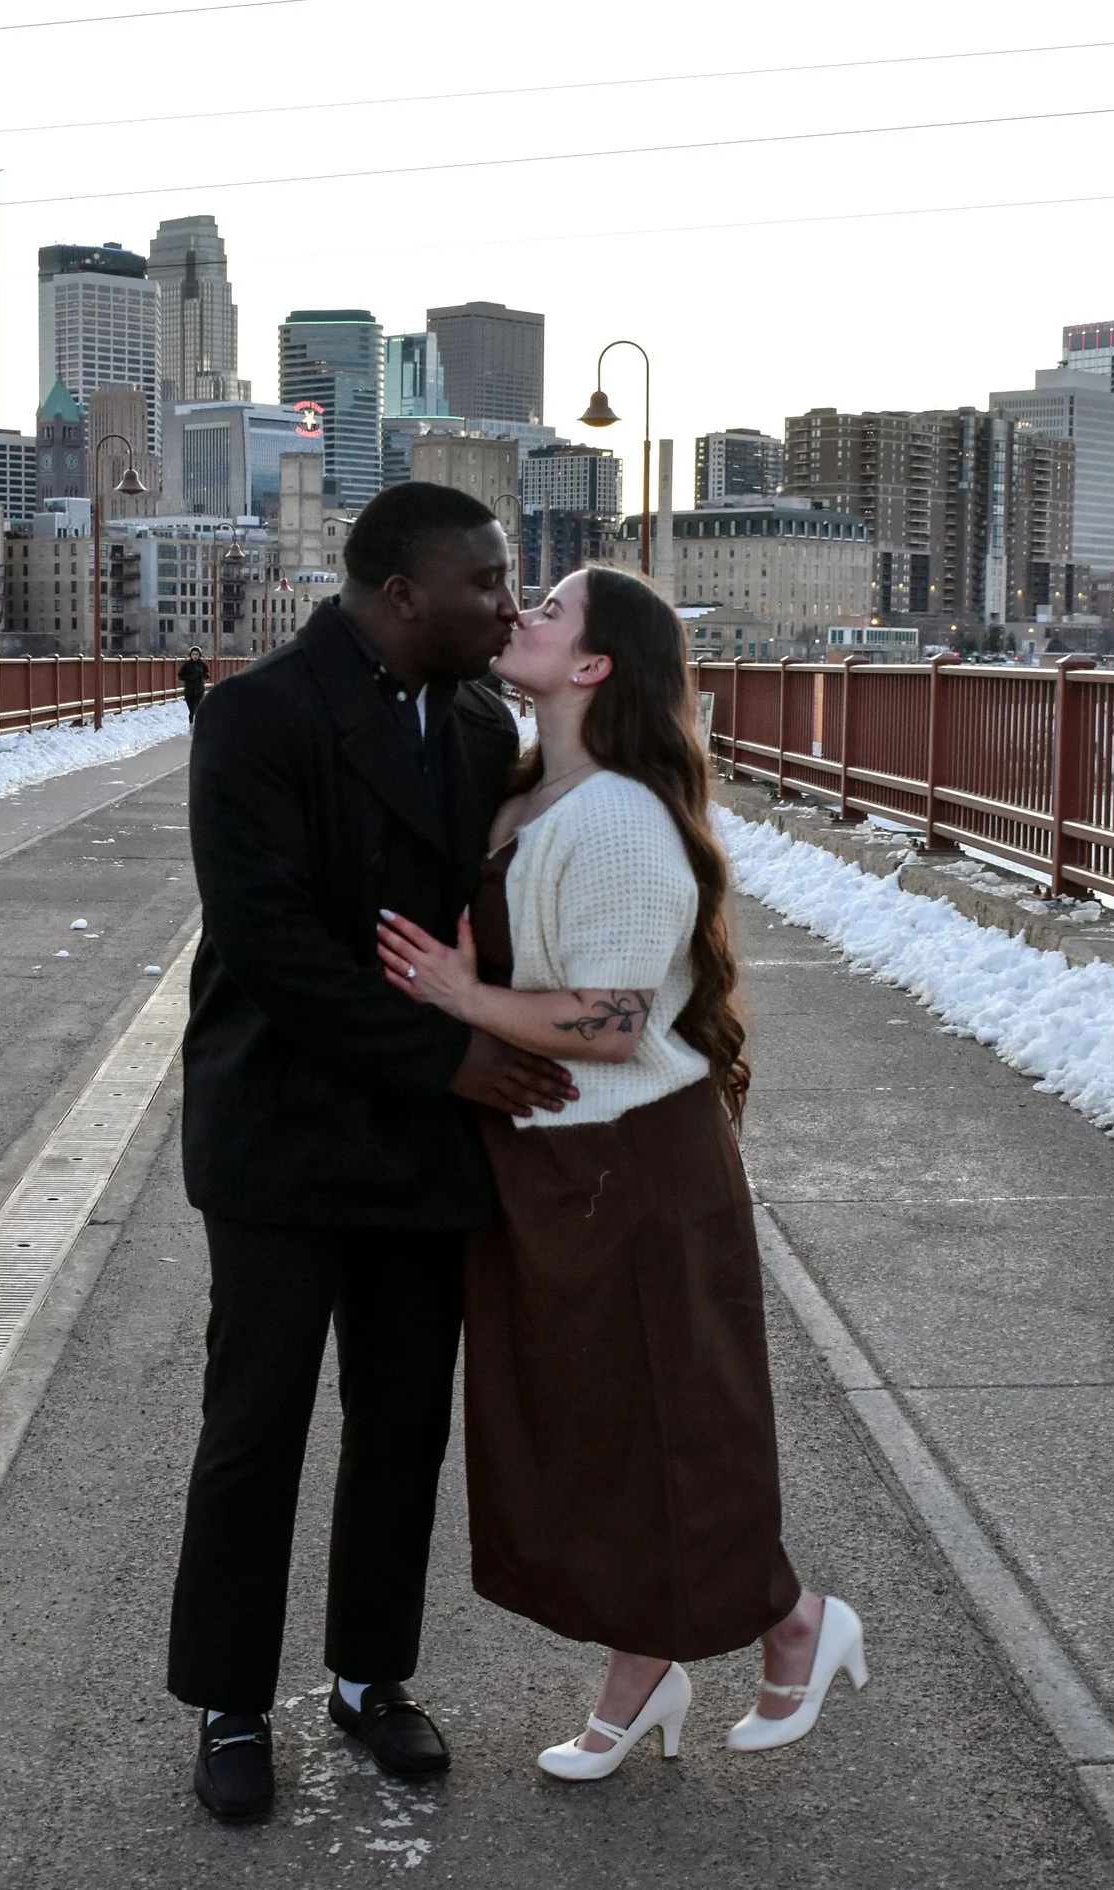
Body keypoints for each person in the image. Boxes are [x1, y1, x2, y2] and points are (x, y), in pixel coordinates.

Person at [377, 565, 863, 1781]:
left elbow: (607, 1022)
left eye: (549, 610)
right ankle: (646, 1678)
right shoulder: (533, 792)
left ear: (593, 667)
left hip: (632, 1163)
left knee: (674, 1420)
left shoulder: (623, 821)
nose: (521, 615)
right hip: (553, 1158)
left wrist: (456, 994)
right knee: (593, 1432)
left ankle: (793, 1618)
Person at [170, 482, 579, 1821]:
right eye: (486, 583)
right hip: (283, 1132)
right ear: (402, 594)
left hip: (415, 1147)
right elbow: (274, 948)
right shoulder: (257, 719)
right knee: (258, 1422)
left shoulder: (476, 726)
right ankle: (233, 1700)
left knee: (402, 1422)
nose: (508, 605)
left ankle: (369, 1679)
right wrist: (455, 1054)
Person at [177, 645, 210, 721]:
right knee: (191, 707)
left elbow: (207, 673)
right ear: (190, 655)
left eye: (197, 654)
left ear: (199, 655)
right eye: (193, 654)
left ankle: (197, 720)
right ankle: (191, 716)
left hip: (199, 689)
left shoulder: (202, 664)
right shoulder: (186, 665)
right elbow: (180, 675)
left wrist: (206, 675)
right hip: (189, 690)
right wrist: (189, 678)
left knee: (197, 706)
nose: (195, 656)